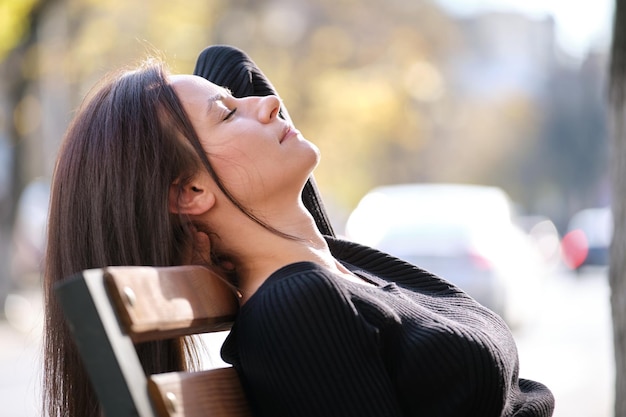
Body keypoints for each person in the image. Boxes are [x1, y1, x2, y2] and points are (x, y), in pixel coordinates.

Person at [43, 45, 555, 417]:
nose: (265, 105)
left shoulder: (328, 258)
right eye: (227, 113)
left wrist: (202, 102)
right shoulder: (297, 309)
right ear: (191, 194)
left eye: (235, 101)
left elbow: (229, 63)